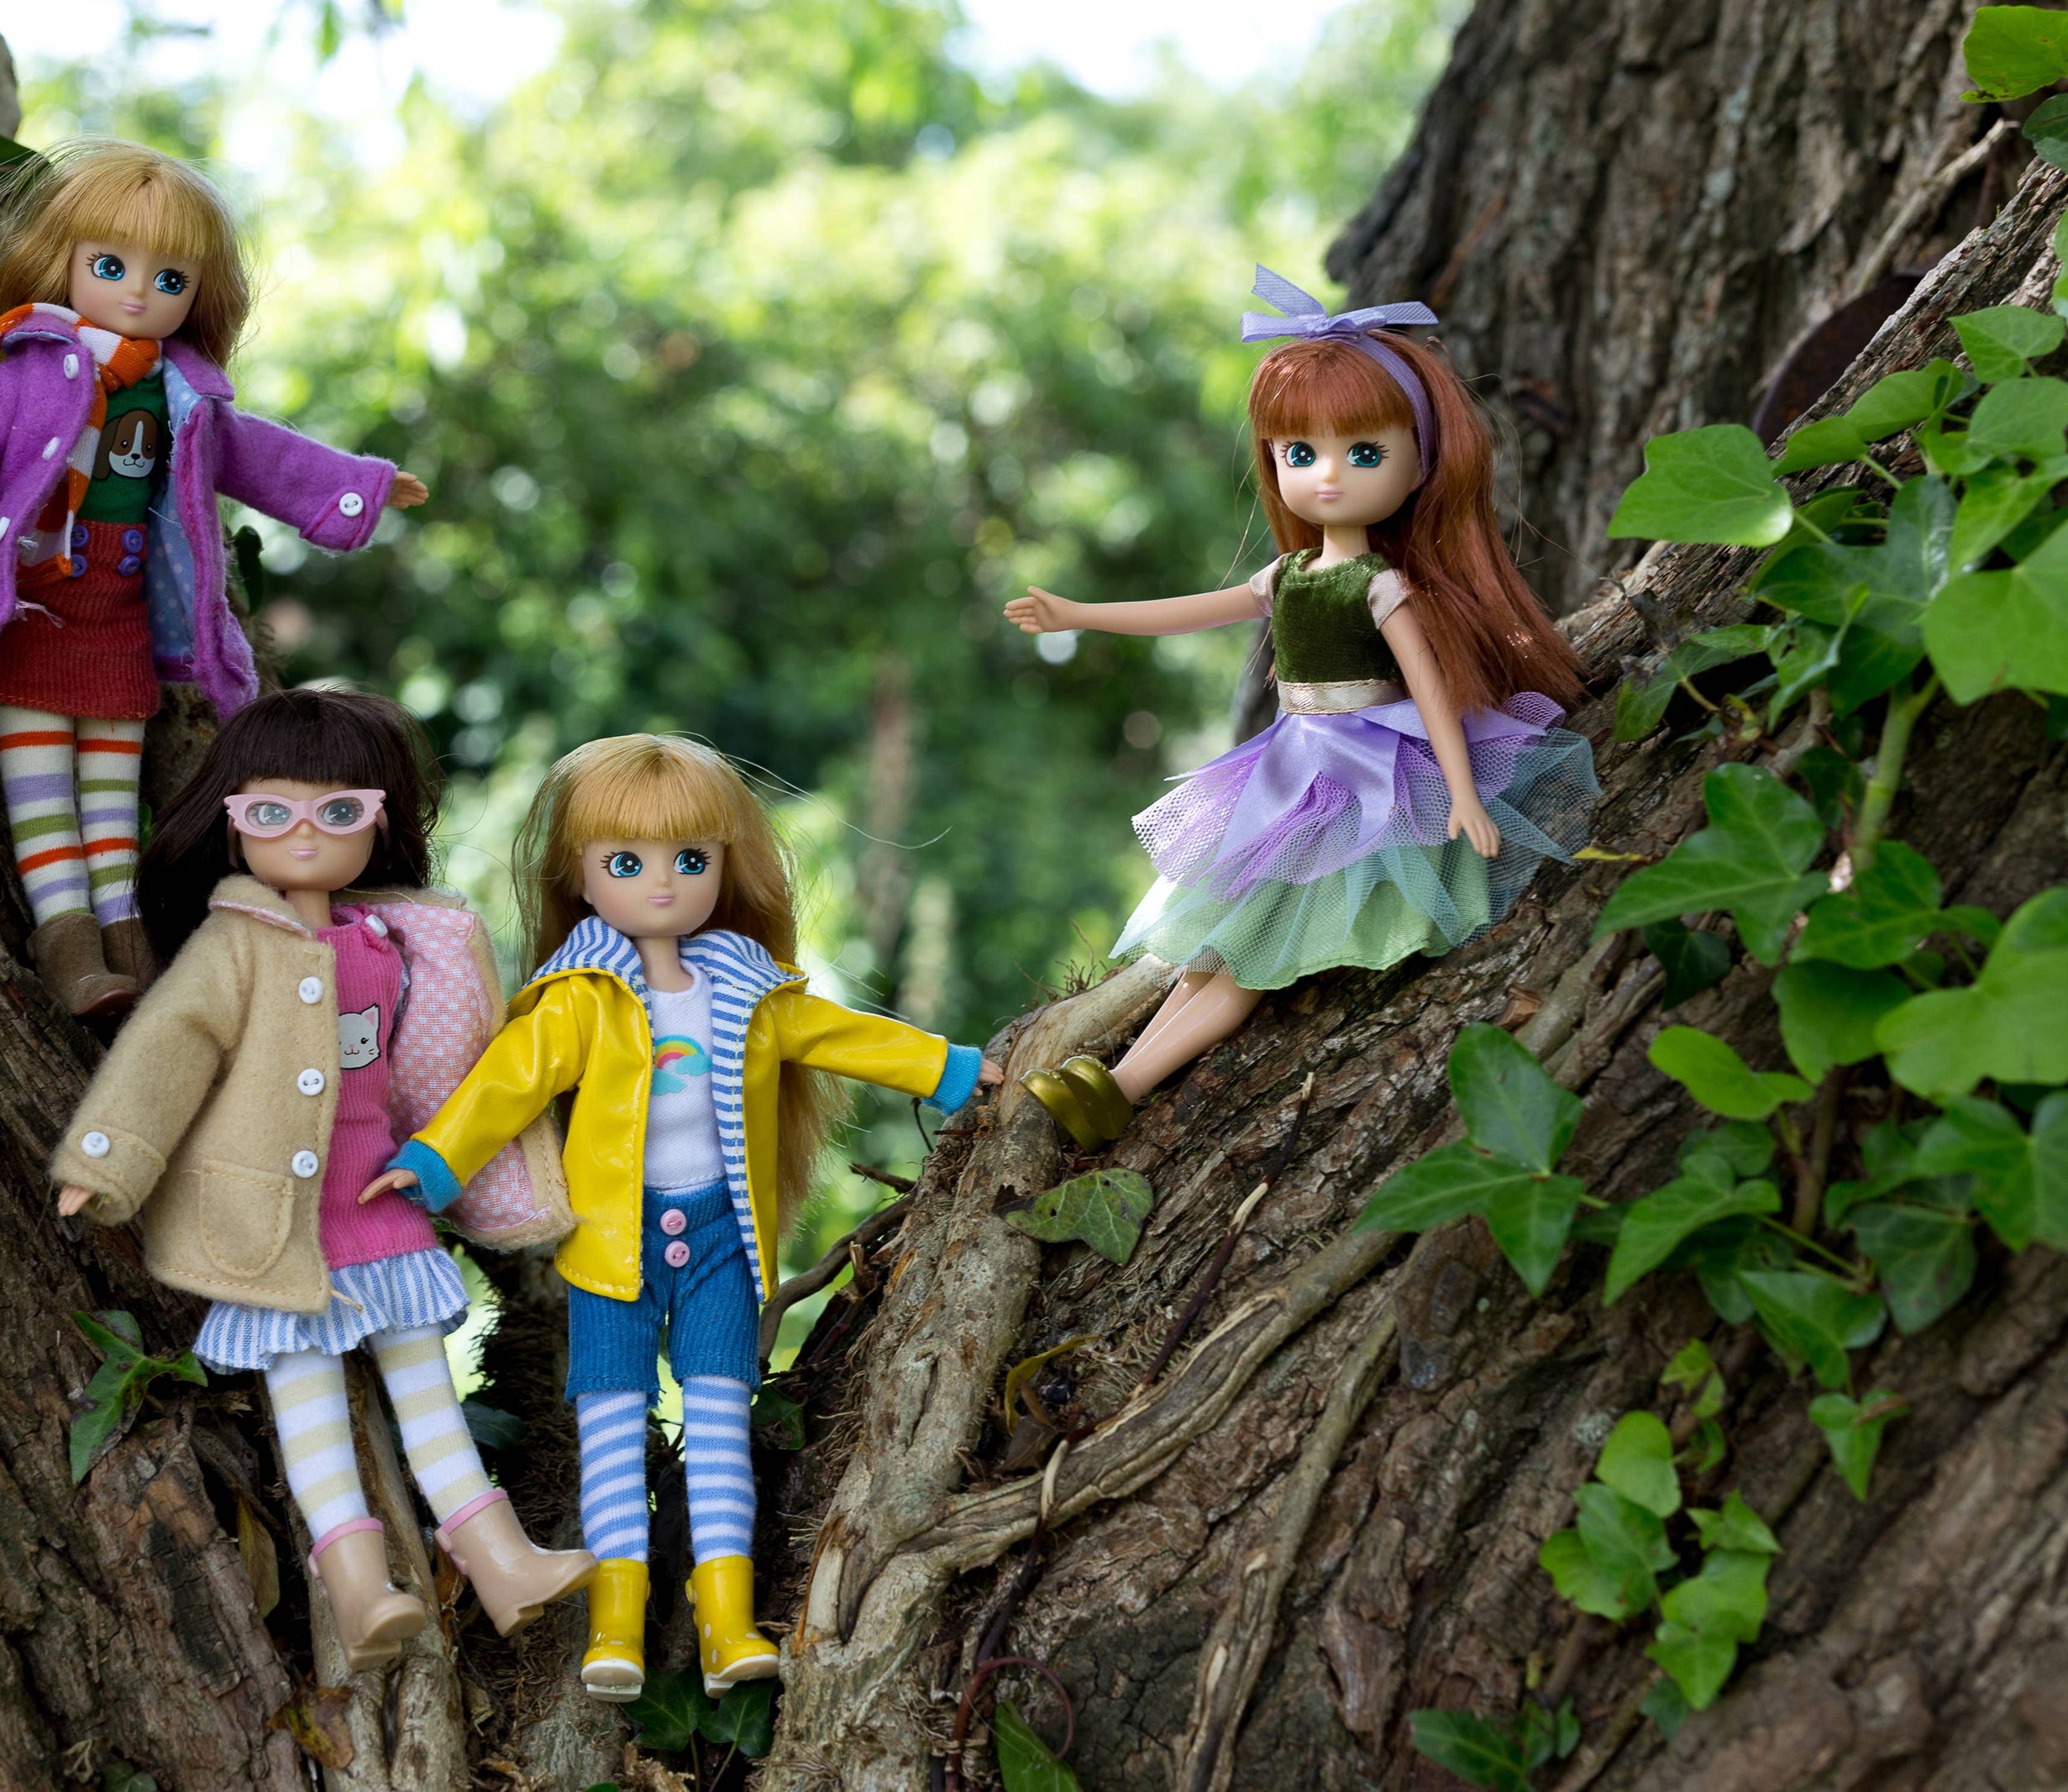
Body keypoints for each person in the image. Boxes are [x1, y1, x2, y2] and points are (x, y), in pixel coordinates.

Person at [361, 735, 1003, 1701]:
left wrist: (950, 1069)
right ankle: (617, 1622)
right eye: (626, 863)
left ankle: (723, 1613)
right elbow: (506, 1081)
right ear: (579, 877)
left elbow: (842, 1037)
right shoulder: (579, 998)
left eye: (688, 860)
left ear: (723, 867)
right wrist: (433, 1159)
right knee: (611, 1428)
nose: (660, 884)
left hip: (720, 1241)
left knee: (718, 1424)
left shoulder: (749, 990)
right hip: (609, 1247)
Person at [45, 687, 590, 1671]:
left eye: (338, 811)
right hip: (273, 1225)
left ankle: (498, 1557)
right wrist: (107, 1158)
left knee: (427, 1391)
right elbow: (169, 1047)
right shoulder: (231, 946)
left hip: (378, 1210)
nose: (304, 833)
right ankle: (356, 1584)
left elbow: (433, 1070)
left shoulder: (390, 943)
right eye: (272, 812)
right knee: (308, 1409)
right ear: (232, 821)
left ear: (379, 823)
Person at [0, 139, 426, 1014]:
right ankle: (67, 942)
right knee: (41, 795)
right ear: (63, 261)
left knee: (110, 804)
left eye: (169, 279)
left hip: (120, 627)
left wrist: (357, 485)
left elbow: (261, 456)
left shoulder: (182, 396)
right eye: (111, 266)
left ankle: (127, 939)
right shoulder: (26, 374)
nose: (138, 293)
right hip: (28, 615)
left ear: (200, 293)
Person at [1003, 269, 1598, 1148]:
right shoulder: (1285, 575)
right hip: (1289, 766)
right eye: (1298, 454)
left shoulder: (1381, 584)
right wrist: (1079, 613)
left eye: (1364, 454)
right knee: (1214, 943)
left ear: (1420, 462)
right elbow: (1188, 612)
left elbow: (1431, 689)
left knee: (1252, 951)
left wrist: (1464, 793)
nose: (1327, 477)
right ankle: (1107, 1081)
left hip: (1367, 771)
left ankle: (1122, 1083)